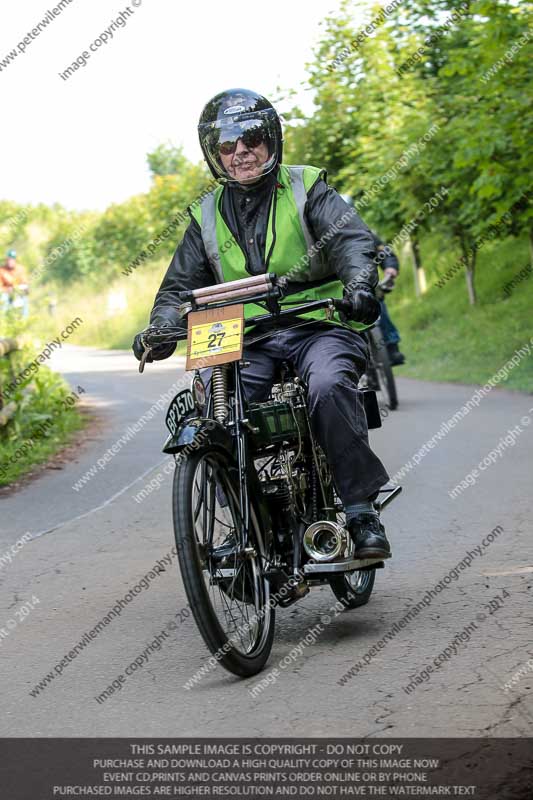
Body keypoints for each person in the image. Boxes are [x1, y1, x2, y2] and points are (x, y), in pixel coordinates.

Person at [133, 88, 391, 560]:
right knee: (217, 414)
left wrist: (359, 287)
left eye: (250, 138)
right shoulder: (205, 215)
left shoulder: (306, 187)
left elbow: (351, 242)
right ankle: (251, 523)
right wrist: (161, 328)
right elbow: (177, 290)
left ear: (271, 141)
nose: (241, 152)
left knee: (330, 385)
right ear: (215, 156)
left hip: (318, 323)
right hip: (244, 335)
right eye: (227, 146)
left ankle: (359, 511)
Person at [339, 196, 405, 366]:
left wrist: (390, 268)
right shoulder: (321, 238)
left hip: (367, 286)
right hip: (339, 292)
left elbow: (386, 254)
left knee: (380, 309)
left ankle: (391, 347)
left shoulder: (364, 234)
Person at [0, 249, 29, 317]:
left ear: (15, 260)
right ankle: (3, 319)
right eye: (9, 259)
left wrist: (24, 288)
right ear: (6, 260)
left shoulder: (20, 269)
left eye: (12, 259)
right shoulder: (2, 270)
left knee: (24, 298)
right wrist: (7, 290)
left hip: (18, 293)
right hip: (7, 294)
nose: (10, 261)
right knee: (3, 298)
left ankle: (25, 320)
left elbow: (25, 283)